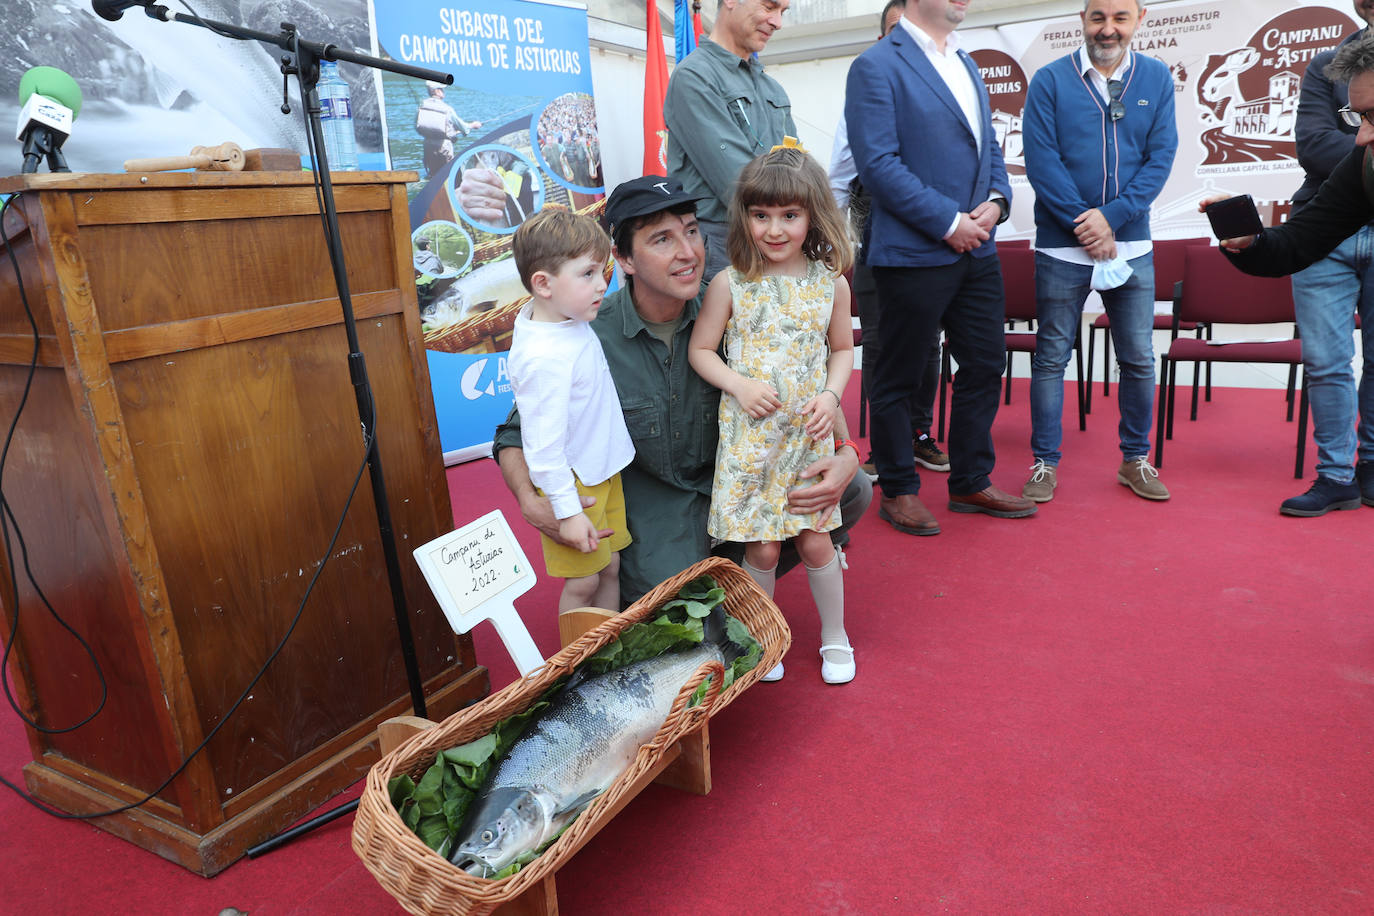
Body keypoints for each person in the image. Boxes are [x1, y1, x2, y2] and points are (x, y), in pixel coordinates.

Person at [492, 176, 872, 610]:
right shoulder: (585, 336)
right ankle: (718, 587)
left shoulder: (734, 306)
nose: (688, 252)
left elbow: (806, 378)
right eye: (662, 239)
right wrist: (529, 499)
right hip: (653, 515)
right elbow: (515, 434)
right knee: (684, 624)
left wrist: (845, 452)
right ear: (624, 259)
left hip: (734, 491)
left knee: (854, 488)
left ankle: (742, 575)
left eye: (692, 231)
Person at [846, 0, 1035, 537]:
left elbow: (989, 152)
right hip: (914, 252)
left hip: (977, 249)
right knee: (900, 376)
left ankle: (972, 479)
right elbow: (878, 165)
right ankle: (900, 490)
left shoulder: (967, 61)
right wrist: (948, 221)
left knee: (983, 365)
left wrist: (997, 202)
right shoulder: (876, 65)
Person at [688, 144, 858, 685]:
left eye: (789, 215)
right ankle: (766, 638)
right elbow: (701, 351)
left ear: (813, 216)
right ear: (745, 218)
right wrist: (738, 384)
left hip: (807, 437)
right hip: (752, 439)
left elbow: (841, 351)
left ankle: (836, 637)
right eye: (761, 215)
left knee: (814, 538)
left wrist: (831, 398)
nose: (774, 228)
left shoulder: (830, 284)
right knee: (761, 543)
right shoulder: (729, 283)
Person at [1207, 31, 1374, 514]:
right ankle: (1338, 476)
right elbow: (1302, 241)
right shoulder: (1364, 162)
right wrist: (1249, 242)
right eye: (1358, 118)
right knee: (1327, 364)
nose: (1361, 136)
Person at [1019, 0, 1178, 504]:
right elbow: (1042, 161)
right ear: (1082, 20)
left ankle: (1136, 460)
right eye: (1097, 17)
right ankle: (1044, 463)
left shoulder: (1155, 78)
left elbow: (1161, 157)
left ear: (1139, 20)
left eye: (1120, 18)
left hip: (1132, 243)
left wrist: (1112, 218)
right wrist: (1088, 225)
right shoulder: (1049, 80)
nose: (1108, 29)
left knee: (1136, 357)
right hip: (1063, 246)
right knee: (1051, 358)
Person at [829, 0, 950, 480]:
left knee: (928, 345)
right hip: (878, 242)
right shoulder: (863, 93)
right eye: (898, 32)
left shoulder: (948, 90)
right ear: (883, 40)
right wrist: (833, 247)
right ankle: (884, 445)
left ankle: (919, 433)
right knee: (880, 345)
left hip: (935, 246)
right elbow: (839, 173)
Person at [506, 208, 634, 613]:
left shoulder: (566, 318)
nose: (602, 284)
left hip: (601, 468)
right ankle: (577, 669)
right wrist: (566, 511)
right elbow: (541, 448)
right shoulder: (543, 358)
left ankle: (612, 654)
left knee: (610, 565)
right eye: (588, 274)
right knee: (583, 582)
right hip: (575, 484)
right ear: (542, 284)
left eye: (603, 272)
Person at [664, 0, 795, 280]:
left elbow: (798, 170)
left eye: (782, 12)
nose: (777, 22)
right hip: (725, 248)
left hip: (776, 241)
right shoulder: (695, 77)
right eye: (769, 6)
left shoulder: (772, 87)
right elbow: (739, 184)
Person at [417, 82, 481, 179]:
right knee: (449, 176)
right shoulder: (447, 109)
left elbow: (419, 126)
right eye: (441, 89)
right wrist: (473, 125)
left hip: (428, 145)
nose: (443, 91)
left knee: (433, 175)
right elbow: (463, 126)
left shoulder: (422, 106)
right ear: (437, 91)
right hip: (444, 147)